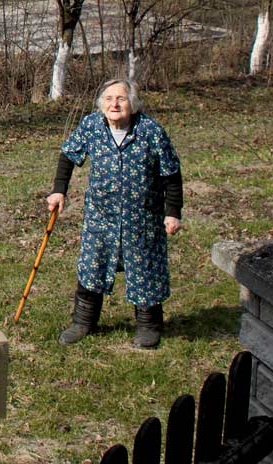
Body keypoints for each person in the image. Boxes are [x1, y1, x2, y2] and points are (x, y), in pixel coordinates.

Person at [45, 78, 183, 349]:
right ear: (101, 104)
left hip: (142, 218)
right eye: (108, 99)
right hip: (101, 216)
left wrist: (172, 212)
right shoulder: (91, 126)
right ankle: (83, 322)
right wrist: (59, 190)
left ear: (133, 104)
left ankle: (148, 327)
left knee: (145, 270)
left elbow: (171, 174)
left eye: (121, 98)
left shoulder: (151, 131)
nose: (114, 104)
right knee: (92, 267)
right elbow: (68, 155)